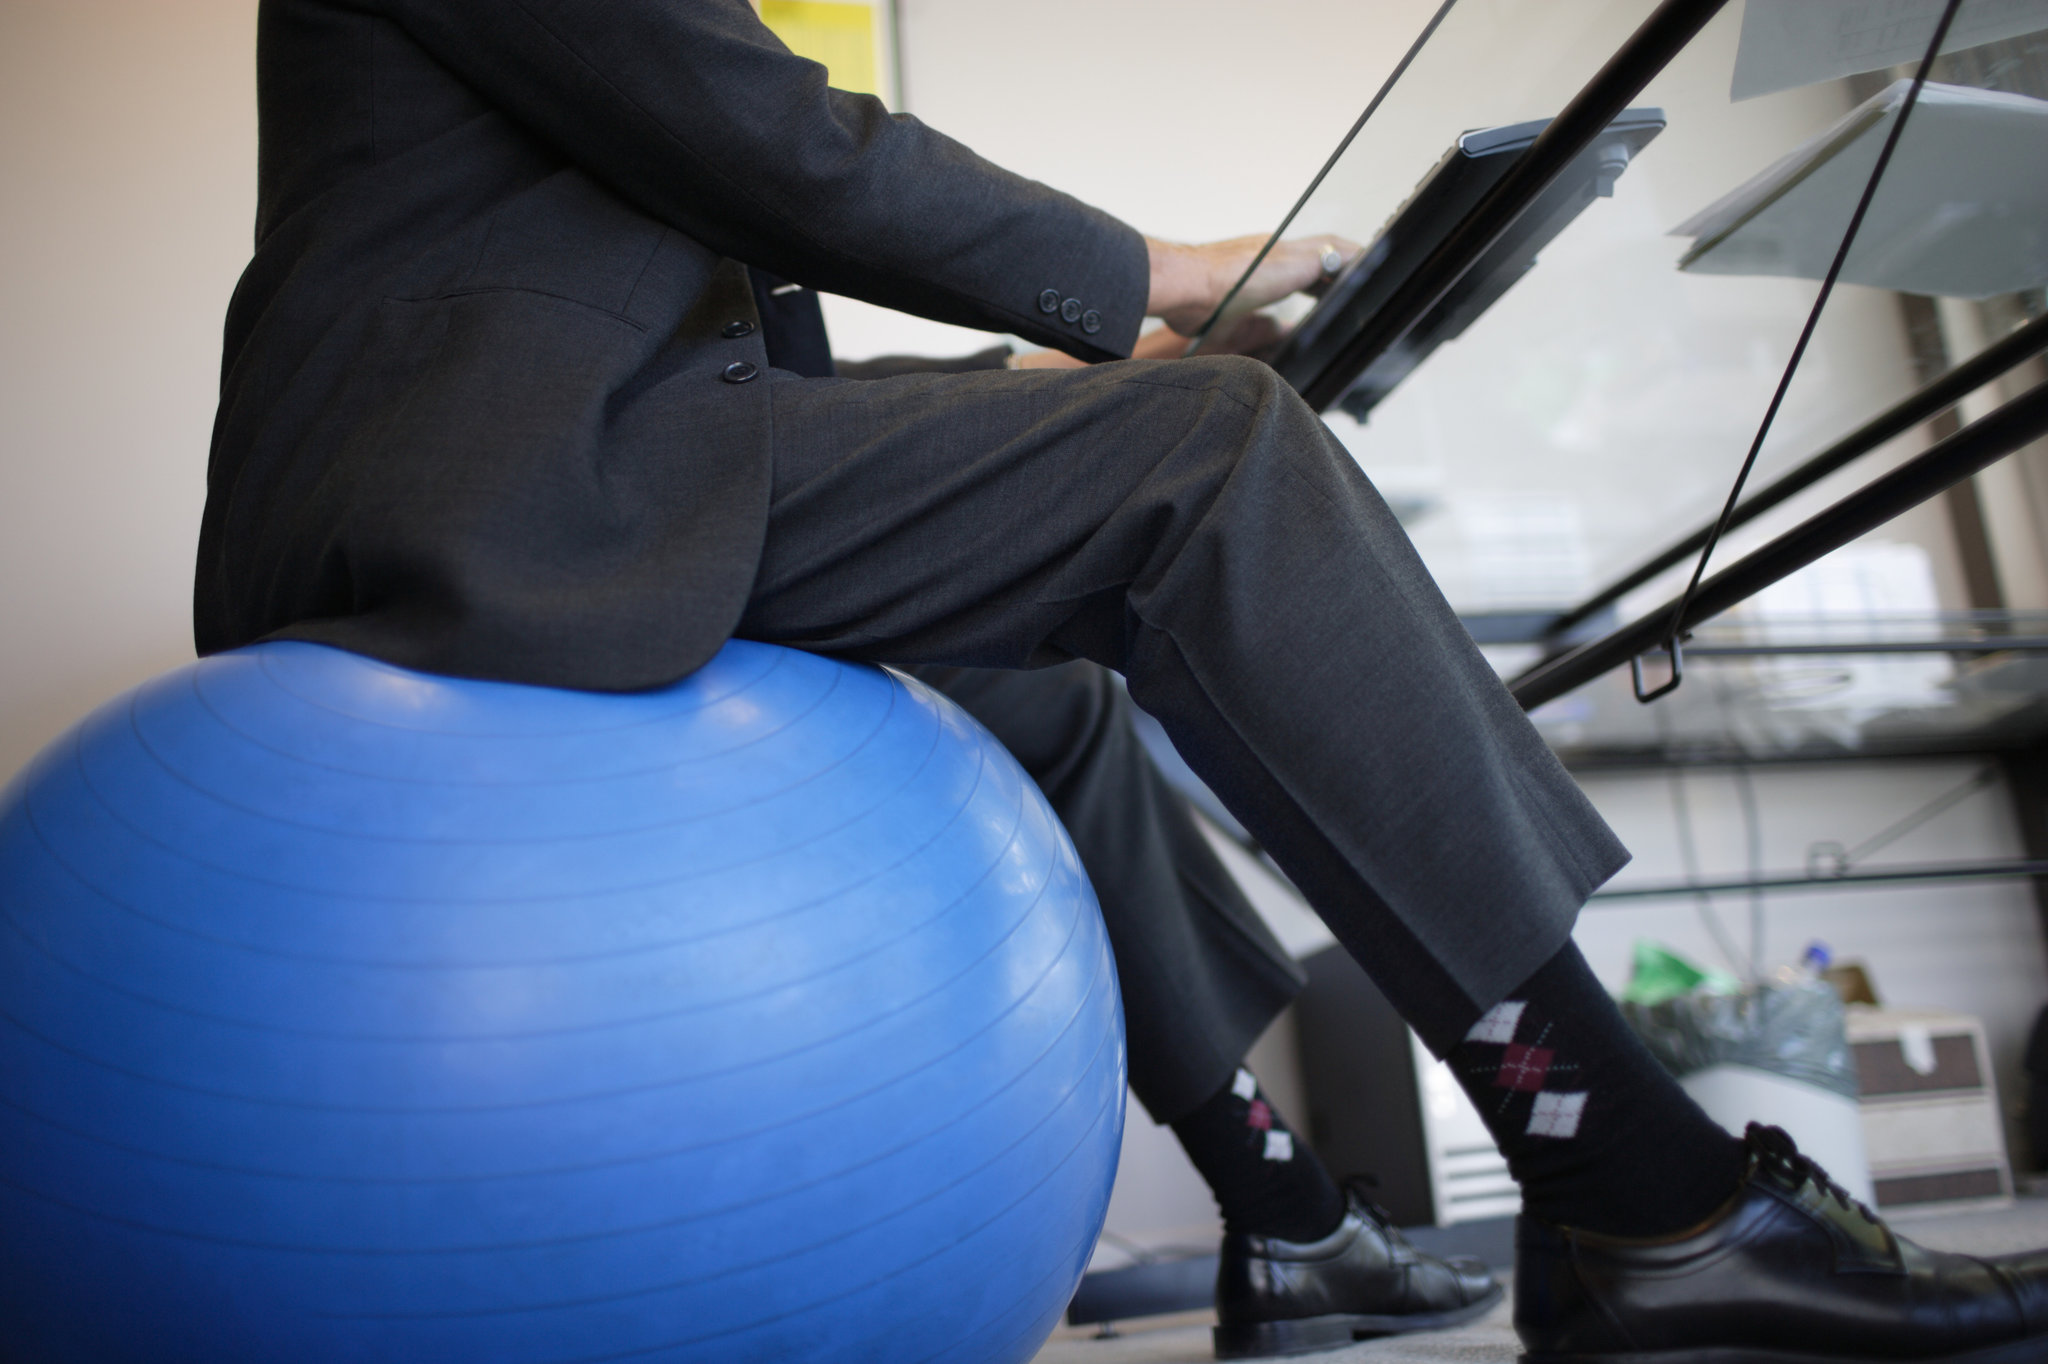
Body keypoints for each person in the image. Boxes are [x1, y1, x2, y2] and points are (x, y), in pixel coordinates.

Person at [197, 3, 2048, 1360]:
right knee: (1214, 453)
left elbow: (733, 291)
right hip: (484, 489)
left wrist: (1094, 373)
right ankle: (1651, 1196)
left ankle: (1288, 1219)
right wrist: (1159, 289)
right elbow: (765, 137)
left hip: (602, 458)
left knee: (1061, 692)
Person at [753, 266, 1501, 1354]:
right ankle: (1293, 1205)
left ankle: (1288, 1208)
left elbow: (817, 388)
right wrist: (1175, 271)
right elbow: (838, 202)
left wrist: (1137, 359)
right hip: (638, 536)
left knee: (1070, 684)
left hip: (704, 490)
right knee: (1067, 686)